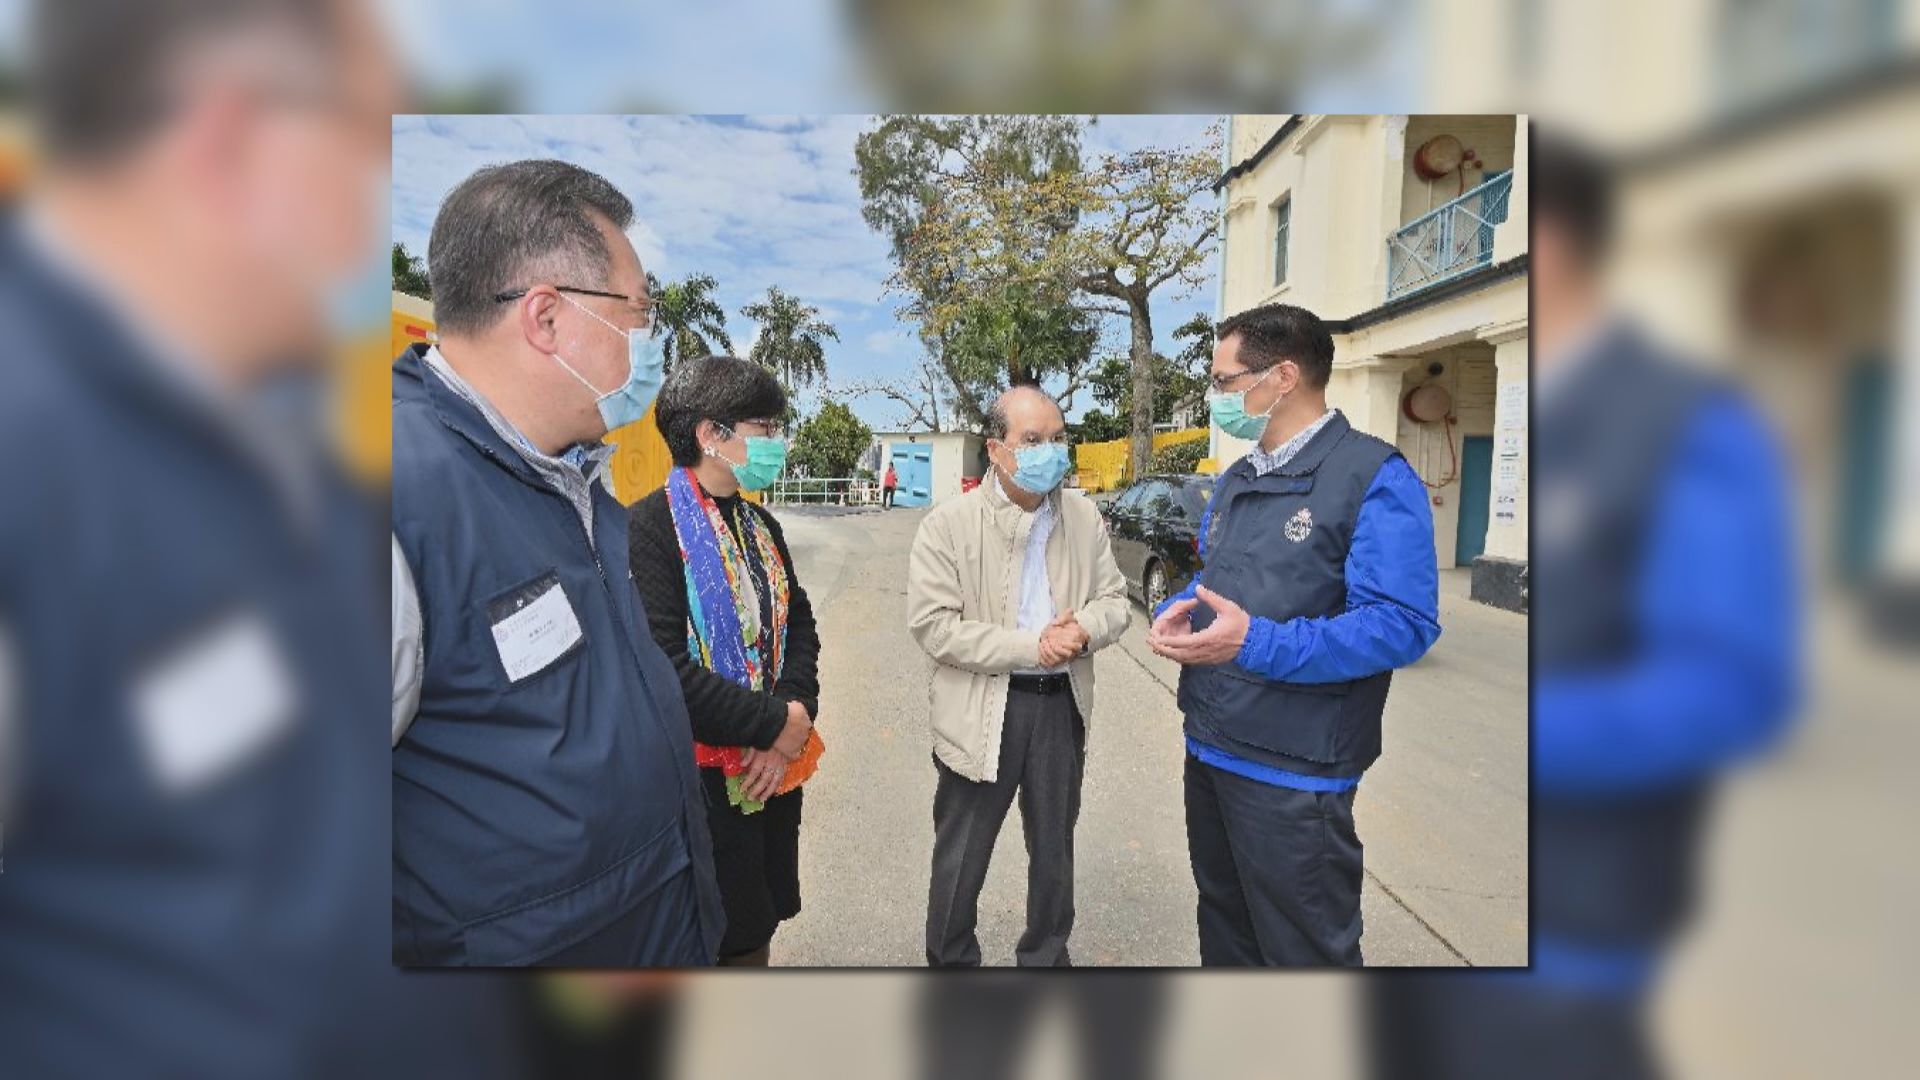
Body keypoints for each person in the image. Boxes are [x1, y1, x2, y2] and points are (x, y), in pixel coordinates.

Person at [1367, 130, 1797, 1080]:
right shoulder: (1549, 410)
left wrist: (1562, 732)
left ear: (1554, 247)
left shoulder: (1687, 422)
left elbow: (1736, 682)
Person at [390, 160, 724, 967]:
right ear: (546, 317)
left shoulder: (581, 489)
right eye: (638, 314)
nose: (649, 346)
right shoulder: (389, 499)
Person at [1148, 303, 1441, 967]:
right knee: (1226, 928)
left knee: (1305, 952)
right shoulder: (1239, 478)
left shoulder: (1372, 477)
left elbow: (1401, 624)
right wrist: (1182, 606)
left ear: (1282, 376)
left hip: (1295, 769)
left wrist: (1254, 644)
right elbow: (1226, 578)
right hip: (1212, 743)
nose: (1217, 397)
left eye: (1225, 382)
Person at [908, 385, 1131, 966]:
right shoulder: (948, 526)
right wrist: (1033, 644)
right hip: (983, 707)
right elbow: (935, 627)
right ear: (996, 450)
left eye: (1057, 438)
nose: (1049, 451)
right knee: (962, 854)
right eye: (1032, 440)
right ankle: (952, 964)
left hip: (1060, 706)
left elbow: (1114, 599)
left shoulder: (1082, 516)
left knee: (1054, 849)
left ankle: (1046, 959)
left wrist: (1081, 630)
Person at [628, 355, 824, 967]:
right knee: (708, 933)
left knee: (754, 923)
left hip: (767, 770)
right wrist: (771, 725)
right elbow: (663, 670)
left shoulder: (760, 524)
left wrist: (792, 718)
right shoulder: (649, 529)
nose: (775, 441)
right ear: (712, 434)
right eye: (763, 425)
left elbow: (799, 624)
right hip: (697, 783)